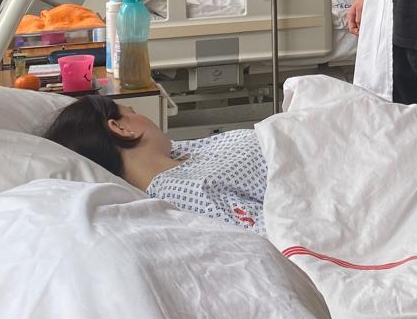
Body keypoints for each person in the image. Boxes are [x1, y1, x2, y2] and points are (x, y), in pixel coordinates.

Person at [45, 95, 268, 232]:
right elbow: (268, 231)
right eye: (132, 112)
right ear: (121, 128)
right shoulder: (186, 191)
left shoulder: (178, 151)